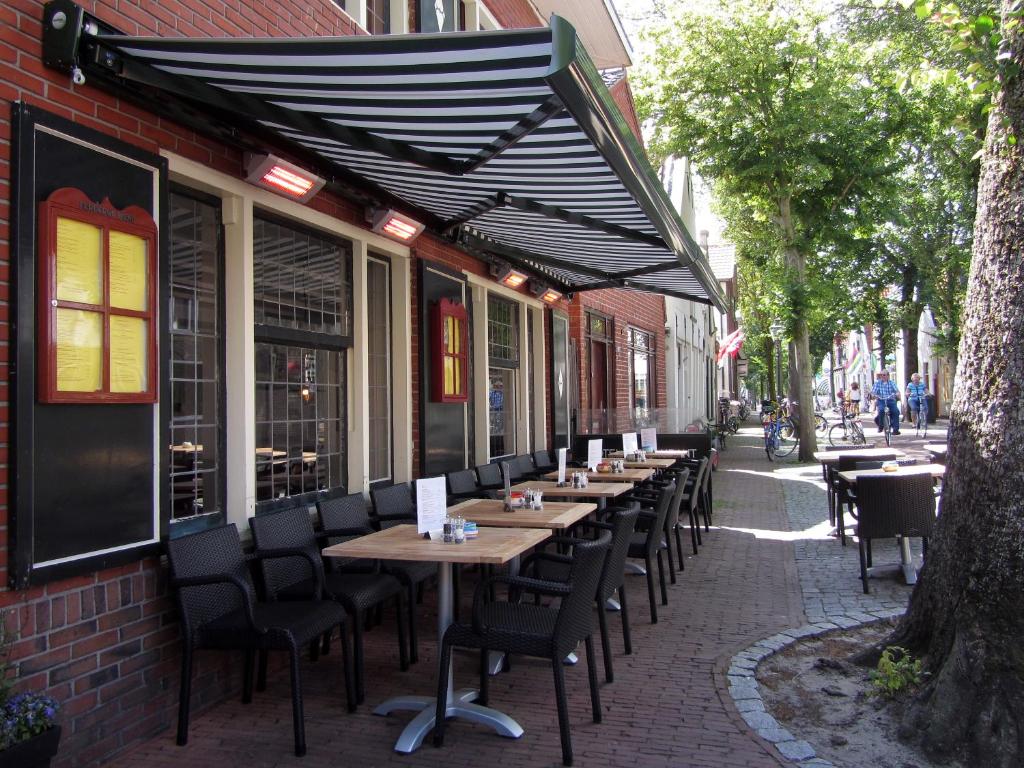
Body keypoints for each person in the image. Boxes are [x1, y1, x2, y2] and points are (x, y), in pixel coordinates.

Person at [870, 369, 901, 434]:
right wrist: (873, 395)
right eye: (880, 375)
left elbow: (897, 391)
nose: (882, 376)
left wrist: (897, 394)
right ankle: (880, 426)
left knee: (895, 411)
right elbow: (873, 392)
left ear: (888, 376)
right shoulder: (877, 383)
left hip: (890, 400)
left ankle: (895, 429)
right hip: (881, 400)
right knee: (881, 410)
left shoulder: (892, 383)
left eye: (884, 375)